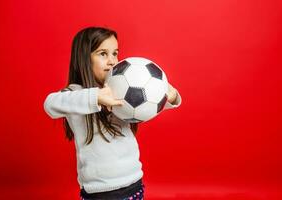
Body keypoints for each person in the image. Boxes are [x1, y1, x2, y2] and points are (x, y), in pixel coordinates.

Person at [43, 27, 181, 200]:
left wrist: (171, 97)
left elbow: (146, 106)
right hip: (101, 193)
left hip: (134, 184)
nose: (112, 61)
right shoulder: (77, 93)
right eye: (103, 54)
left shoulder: (119, 88)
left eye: (115, 53)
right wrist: (96, 97)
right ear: (84, 58)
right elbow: (50, 104)